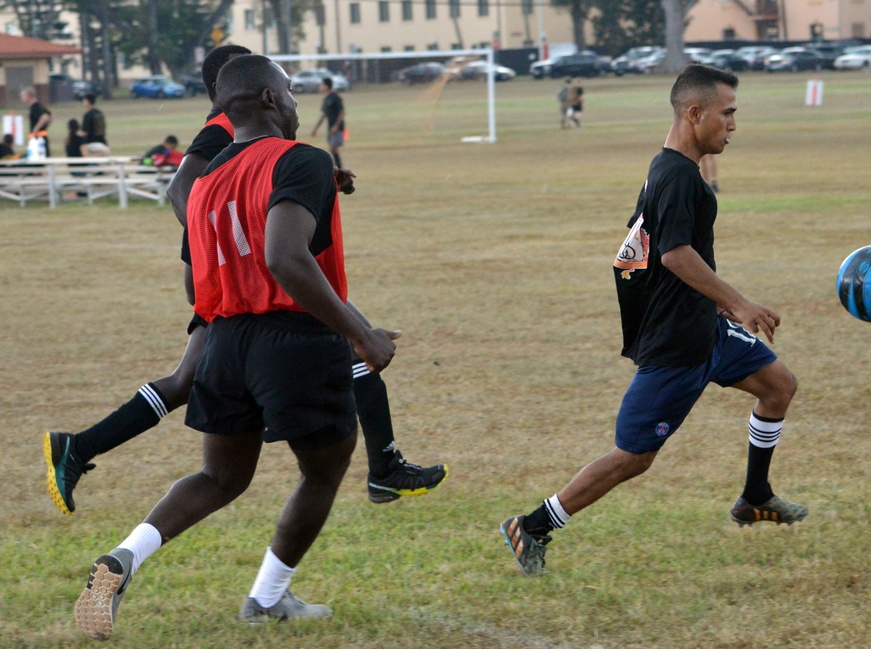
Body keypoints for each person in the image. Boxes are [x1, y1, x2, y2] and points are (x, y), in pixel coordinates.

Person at [73, 54, 401, 638]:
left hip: (223, 341)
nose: (298, 101)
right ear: (272, 100)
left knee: (220, 477)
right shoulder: (301, 158)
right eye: (292, 91)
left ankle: (122, 558)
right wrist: (361, 332)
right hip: (294, 340)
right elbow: (283, 256)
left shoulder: (201, 186)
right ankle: (268, 597)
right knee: (325, 468)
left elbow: (200, 279)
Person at [45, 44, 445, 518]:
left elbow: (251, 180)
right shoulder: (224, 125)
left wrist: (309, 186)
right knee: (349, 339)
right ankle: (383, 468)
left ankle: (78, 446)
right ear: (252, 92)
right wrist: (234, 249)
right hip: (237, 278)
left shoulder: (245, 127)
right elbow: (182, 189)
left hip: (238, 270)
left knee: (189, 380)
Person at [499, 64, 806, 576]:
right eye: (727, 113)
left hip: (704, 328)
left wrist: (720, 310)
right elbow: (674, 256)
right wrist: (739, 303)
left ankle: (755, 496)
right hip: (678, 343)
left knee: (778, 385)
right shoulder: (676, 176)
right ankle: (530, 526)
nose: (732, 124)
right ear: (695, 113)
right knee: (633, 457)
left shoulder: (674, 169)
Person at [310, 77, 346, 168]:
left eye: (322, 85)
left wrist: (336, 126)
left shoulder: (335, 97)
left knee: (333, 148)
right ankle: (338, 168)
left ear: (327, 86)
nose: (320, 86)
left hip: (337, 127)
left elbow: (341, 112)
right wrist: (315, 129)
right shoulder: (326, 99)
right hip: (330, 127)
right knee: (332, 148)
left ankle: (339, 169)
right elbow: (324, 114)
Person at [20, 87, 52, 157]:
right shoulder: (39, 105)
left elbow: (45, 117)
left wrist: (35, 129)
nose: (22, 98)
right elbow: (49, 116)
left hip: (38, 139)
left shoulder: (35, 107)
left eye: (23, 96)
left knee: (36, 160)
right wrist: (45, 127)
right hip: (41, 138)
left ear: (28, 96)